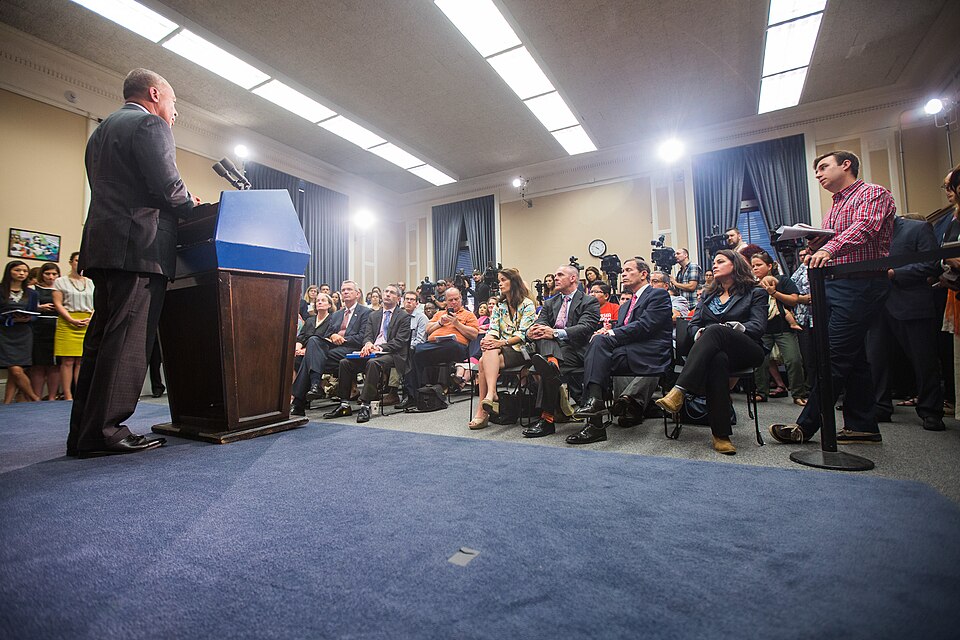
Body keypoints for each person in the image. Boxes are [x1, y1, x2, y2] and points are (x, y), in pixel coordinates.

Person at [67, 69, 201, 457]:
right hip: (139, 248)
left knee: (101, 340)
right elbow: (168, 187)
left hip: (104, 246)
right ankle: (106, 432)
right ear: (155, 94)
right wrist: (192, 204)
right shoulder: (149, 124)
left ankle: (84, 432)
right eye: (174, 104)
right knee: (127, 340)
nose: (174, 113)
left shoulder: (100, 131)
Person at [769, 150, 895, 445]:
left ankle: (806, 426)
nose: (818, 174)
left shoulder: (873, 193)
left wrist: (828, 248)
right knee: (854, 359)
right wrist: (817, 244)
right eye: (816, 171)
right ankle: (862, 425)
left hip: (861, 283)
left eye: (823, 167)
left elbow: (865, 228)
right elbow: (839, 238)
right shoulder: (835, 206)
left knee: (834, 357)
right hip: (838, 284)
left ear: (846, 165)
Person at [656, 250, 768, 454]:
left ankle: (680, 389)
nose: (714, 265)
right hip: (714, 351)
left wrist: (733, 327)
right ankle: (721, 435)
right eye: (714, 262)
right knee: (717, 359)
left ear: (735, 264)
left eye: (720, 261)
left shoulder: (756, 292)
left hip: (746, 349)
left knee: (716, 329)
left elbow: (758, 326)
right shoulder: (708, 294)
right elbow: (693, 324)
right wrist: (699, 332)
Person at [568, 258, 672, 444]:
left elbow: (645, 326)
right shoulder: (625, 305)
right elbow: (625, 327)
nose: (623, 273)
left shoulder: (658, 295)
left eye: (628, 270)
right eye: (622, 270)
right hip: (626, 351)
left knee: (594, 355)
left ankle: (594, 419)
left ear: (643, 274)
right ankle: (594, 408)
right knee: (594, 353)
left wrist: (612, 333)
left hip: (649, 352)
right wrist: (607, 330)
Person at [866, 214, 944, 430]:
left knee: (923, 361)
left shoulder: (918, 229)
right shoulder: (868, 234)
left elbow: (932, 264)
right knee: (876, 360)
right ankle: (880, 406)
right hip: (878, 306)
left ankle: (930, 411)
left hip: (911, 303)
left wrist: (895, 273)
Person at [522, 265, 600, 437]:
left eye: (560, 275)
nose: (555, 278)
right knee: (543, 336)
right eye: (555, 275)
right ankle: (552, 363)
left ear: (573, 278)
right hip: (554, 350)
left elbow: (585, 328)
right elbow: (540, 325)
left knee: (547, 359)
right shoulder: (550, 303)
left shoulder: (588, 301)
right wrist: (530, 332)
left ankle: (547, 419)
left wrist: (555, 332)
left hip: (576, 350)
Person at [325, 284, 410, 423]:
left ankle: (365, 405)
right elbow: (367, 335)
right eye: (386, 291)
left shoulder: (404, 316)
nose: (388, 294)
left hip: (393, 353)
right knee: (345, 363)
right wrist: (368, 344)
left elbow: (400, 341)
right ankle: (344, 405)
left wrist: (379, 347)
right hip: (372, 351)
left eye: (392, 292)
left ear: (398, 298)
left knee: (372, 363)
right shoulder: (374, 315)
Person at [469, 268, 536, 429]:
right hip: (499, 351)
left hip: (522, 349)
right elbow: (493, 330)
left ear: (514, 282)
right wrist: (487, 340)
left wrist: (501, 343)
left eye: (504, 280)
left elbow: (523, 335)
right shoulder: (500, 305)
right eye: (499, 280)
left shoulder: (527, 304)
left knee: (483, 360)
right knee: (486, 353)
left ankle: (483, 411)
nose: (500, 283)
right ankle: (491, 394)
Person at [293, 280, 371, 408]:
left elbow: (363, 336)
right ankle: (314, 385)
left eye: (349, 290)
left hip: (351, 348)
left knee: (308, 358)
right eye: (343, 290)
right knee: (313, 340)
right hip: (333, 349)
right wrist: (332, 335)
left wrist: (342, 338)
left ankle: (299, 401)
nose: (345, 292)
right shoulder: (337, 314)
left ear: (357, 294)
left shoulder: (365, 312)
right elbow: (327, 333)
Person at [399, 287, 479, 411]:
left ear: (461, 299)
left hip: (456, 348)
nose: (453, 302)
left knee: (450, 344)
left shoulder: (468, 315)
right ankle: (412, 395)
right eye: (450, 300)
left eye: (456, 299)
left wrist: (457, 323)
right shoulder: (439, 314)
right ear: (446, 301)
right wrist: (440, 323)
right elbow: (428, 329)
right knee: (413, 351)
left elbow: (474, 334)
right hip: (434, 347)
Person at [750, 251, 806, 405]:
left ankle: (798, 394)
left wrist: (773, 292)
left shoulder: (783, 281)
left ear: (769, 266)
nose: (755, 268)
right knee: (759, 361)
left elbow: (794, 300)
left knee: (794, 360)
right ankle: (761, 392)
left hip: (783, 328)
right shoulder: (752, 285)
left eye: (759, 265)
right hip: (763, 330)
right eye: (753, 266)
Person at [52, 252, 94, 401]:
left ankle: (79, 394)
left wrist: (91, 318)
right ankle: (68, 394)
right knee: (68, 361)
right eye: (76, 260)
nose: (79, 263)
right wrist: (70, 319)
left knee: (82, 360)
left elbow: (96, 302)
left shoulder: (90, 282)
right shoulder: (60, 281)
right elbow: (57, 303)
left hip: (87, 320)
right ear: (71, 262)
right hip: (67, 320)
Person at [1, 261, 40, 403]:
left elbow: (35, 314)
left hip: (24, 333)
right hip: (5, 332)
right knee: (15, 370)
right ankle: (35, 397)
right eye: (18, 270)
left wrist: (28, 318)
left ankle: (6, 402)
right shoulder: (1, 290)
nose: (22, 273)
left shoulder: (32, 293)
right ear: (9, 271)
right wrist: (10, 318)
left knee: (15, 372)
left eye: (24, 271)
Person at [387, 290, 428, 406]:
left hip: (415, 350)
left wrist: (402, 348)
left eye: (412, 300)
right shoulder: (398, 316)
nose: (409, 302)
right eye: (407, 299)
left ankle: (409, 395)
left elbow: (420, 340)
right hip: (399, 349)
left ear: (417, 303)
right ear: (402, 301)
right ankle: (392, 392)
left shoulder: (421, 318)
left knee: (406, 356)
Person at [29, 262, 61, 400]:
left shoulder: (61, 288)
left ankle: (52, 397)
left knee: (55, 365)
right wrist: (40, 307)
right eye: (47, 273)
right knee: (38, 364)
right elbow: (27, 307)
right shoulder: (33, 288)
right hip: (39, 327)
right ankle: (37, 396)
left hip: (57, 327)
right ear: (41, 274)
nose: (51, 277)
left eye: (54, 274)